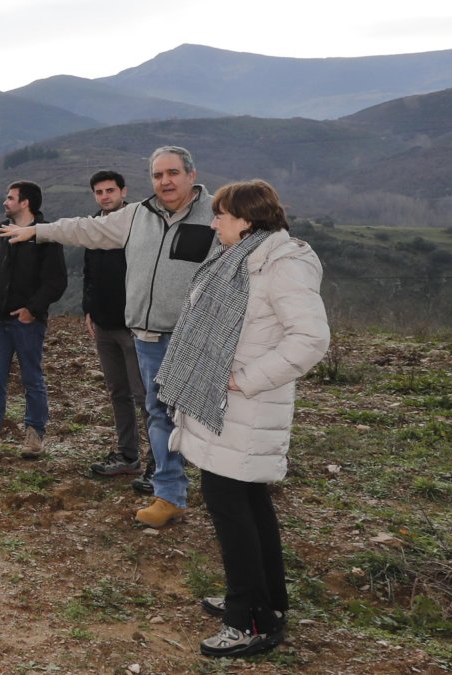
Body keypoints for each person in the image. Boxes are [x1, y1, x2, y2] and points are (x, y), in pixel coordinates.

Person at [0, 146, 216, 527]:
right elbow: (86, 228)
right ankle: (170, 496)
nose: (164, 181)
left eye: (172, 173)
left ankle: (230, 490)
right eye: (157, 175)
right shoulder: (137, 215)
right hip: (147, 337)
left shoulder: (216, 215)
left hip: (192, 337)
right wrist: (38, 230)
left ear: (191, 174)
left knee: (206, 416)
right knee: (160, 415)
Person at [156, 179, 329, 657]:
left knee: (233, 510)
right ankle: (266, 599)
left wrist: (246, 378)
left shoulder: (281, 265)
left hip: (244, 408)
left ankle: (248, 621)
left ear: (247, 220)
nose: (214, 223)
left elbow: (311, 338)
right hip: (227, 412)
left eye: (221, 216)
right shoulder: (243, 258)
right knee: (251, 505)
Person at [0, 181, 67, 459]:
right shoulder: (2, 231)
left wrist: (32, 310)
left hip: (26, 322)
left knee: (31, 379)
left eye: (10, 198)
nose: (5, 201)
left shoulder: (45, 236)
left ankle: (34, 435)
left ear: (25, 203)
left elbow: (56, 282)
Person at [80, 170, 152, 491]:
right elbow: (88, 272)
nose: (105, 196)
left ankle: (159, 463)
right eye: (99, 192)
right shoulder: (94, 226)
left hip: (134, 325)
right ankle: (127, 456)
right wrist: (88, 309)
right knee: (118, 393)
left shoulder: (139, 224)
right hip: (103, 324)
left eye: (110, 190)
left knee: (145, 396)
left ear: (124, 191)